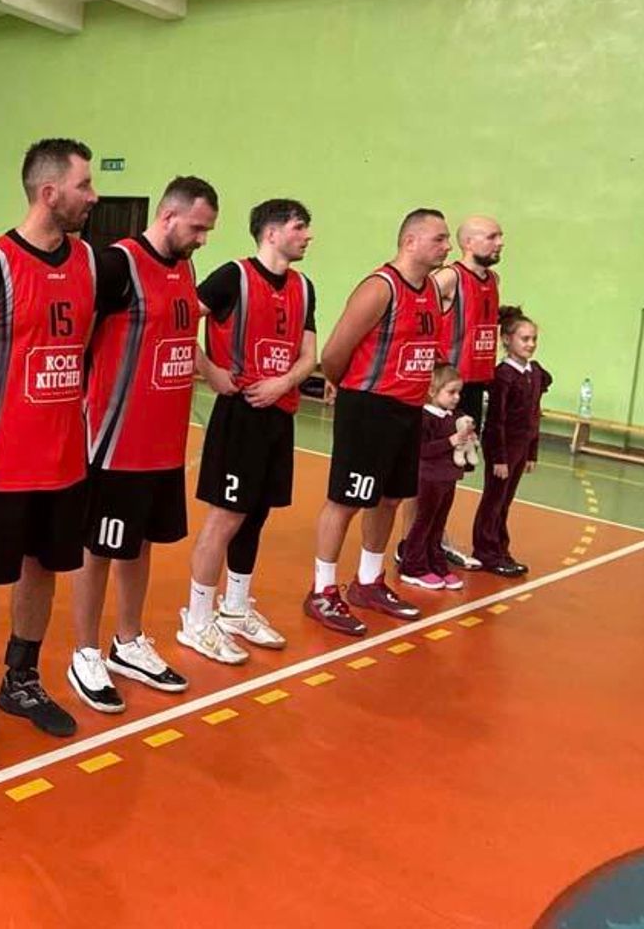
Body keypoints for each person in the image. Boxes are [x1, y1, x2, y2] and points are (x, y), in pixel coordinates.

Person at [0, 138, 100, 770]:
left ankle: (21, 680)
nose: (93, 197)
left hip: (65, 464)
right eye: (85, 185)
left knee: (44, 568)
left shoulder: (89, 263)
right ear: (50, 192)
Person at [66, 176, 218, 712]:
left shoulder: (185, 268)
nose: (202, 239)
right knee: (99, 548)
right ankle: (84, 651)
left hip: (165, 443)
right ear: (168, 215)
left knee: (141, 543)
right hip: (115, 440)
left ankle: (128, 642)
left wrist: (213, 372)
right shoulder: (117, 265)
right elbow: (77, 338)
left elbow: (181, 339)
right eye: (197, 227)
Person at [180, 199, 318, 663]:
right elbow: (180, 319)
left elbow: (309, 355)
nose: (308, 235)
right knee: (225, 518)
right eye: (299, 227)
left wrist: (283, 382)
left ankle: (235, 609)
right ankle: (197, 620)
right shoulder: (232, 277)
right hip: (238, 415)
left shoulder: (303, 287)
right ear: (272, 232)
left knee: (255, 515)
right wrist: (209, 370)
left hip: (279, 414)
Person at [305, 209, 451, 635]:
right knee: (346, 500)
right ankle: (322, 590)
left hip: (408, 409)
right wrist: (346, 387)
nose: (447, 247)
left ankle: (368, 581)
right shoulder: (380, 287)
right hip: (369, 408)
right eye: (439, 239)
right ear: (410, 241)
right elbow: (334, 352)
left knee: (389, 499)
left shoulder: (430, 290)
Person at [434, 215, 503, 571]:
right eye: (492, 236)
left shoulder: (494, 280)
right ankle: (416, 540)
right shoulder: (448, 278)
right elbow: (418, 314)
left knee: (455, 469)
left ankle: (434, 537)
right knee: (432, 468)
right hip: (445, 389)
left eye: (500, 236)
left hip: (475, 388)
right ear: (469, 243)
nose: (500, 242)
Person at [469, 306, 550, 577]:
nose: (531, 344)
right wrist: (499, 458)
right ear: (506, 339)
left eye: (534, 339)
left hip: (521, 447)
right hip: (503, 449)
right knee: (494, 499)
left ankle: (500, 549)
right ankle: (485, 551)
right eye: (524, 339)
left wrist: (532, 452)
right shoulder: (503, 375)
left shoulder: (534, 373)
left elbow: (534, 415)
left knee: (505, 501)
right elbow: (495, 421)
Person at [397, 364, 473, 590]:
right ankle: (412, 566)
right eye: (451, 392)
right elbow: (421, 450)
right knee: (424, 522)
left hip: (448, 478)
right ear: (432, 391)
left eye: (459, 392)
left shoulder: (454, 417)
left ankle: (435, 563)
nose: (456, 397)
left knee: (439, 523)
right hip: (429, 478)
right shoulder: (425, 417)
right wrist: (450, 441)